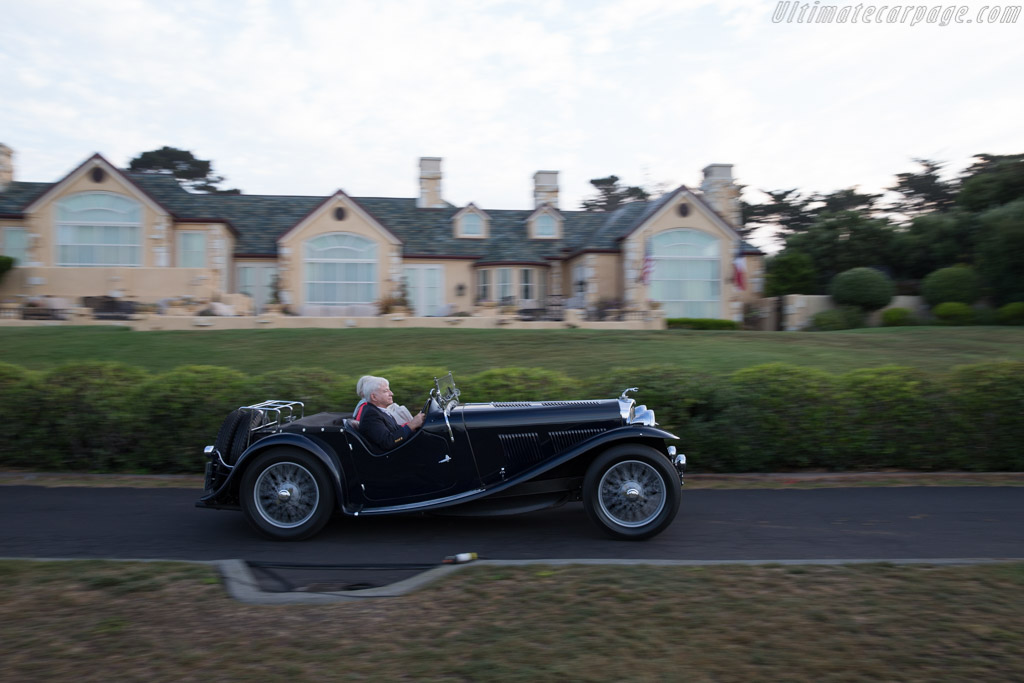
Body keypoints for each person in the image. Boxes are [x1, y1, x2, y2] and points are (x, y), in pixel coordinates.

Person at [356, 375, 425, 452]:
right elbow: (388, 442)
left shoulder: (380, 411)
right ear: (374, 397)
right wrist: (412, 425)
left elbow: (396, 430)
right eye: (385, 391)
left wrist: (415, 424)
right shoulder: (371, 414)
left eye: (389, 390)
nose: (391, 393)